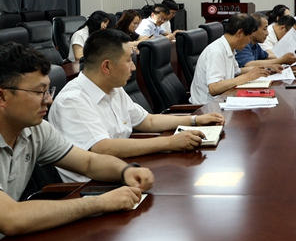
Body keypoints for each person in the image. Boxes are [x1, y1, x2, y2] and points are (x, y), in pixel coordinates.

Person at [0, 42, 154, 236]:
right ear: (2, 97)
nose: (49, 100)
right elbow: (11, 218)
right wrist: (100, 202)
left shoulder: (36, 130)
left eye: (48, 91)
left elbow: (88, 162)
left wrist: (125, 171)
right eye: (39, 92)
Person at [50, 29, 225, 182]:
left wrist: (194, 120)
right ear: (106, 66)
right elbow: (103, 148)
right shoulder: (72, 101)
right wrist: (169, 142)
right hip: (94, 187)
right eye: (129, 60)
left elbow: (148, 121)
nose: (134, 67)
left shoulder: (113, 88)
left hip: (126, 170)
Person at [190, 13, 272, 105]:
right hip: (207, 106)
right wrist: (247, 77)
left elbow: (237, 71)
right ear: (239, 33)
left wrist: (266, 68)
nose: (249, 41)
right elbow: (214, 88)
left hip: (223, 99)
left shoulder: (229, 47)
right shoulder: (216, 52)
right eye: (249, 37)